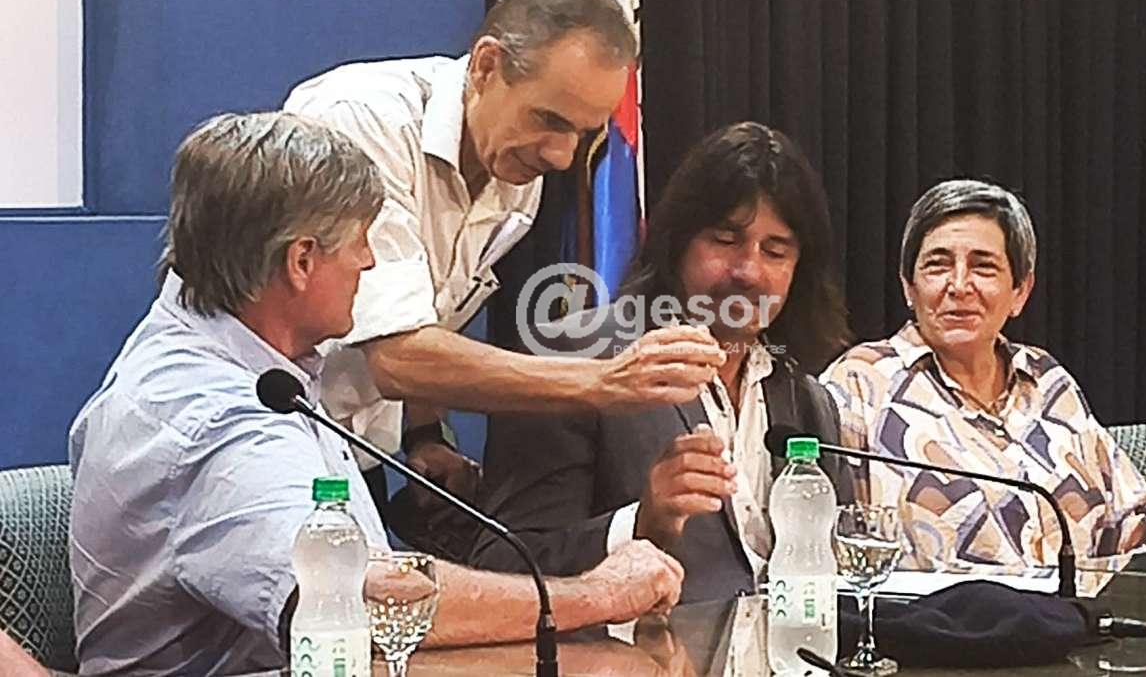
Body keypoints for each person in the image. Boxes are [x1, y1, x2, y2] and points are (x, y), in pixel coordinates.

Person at [67, 113, 684, 676]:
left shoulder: (224, 346)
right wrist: (596, 594)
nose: (368, 262)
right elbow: (359, 599)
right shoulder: (218, 418)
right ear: (301, 261)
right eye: (362, 241)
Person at [283, 0, 723, 517]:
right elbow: (395, 355)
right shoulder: (362, 124)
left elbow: (425, 310)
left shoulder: (515, 173)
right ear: (487, 65)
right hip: (261, 434)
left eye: (583, 133)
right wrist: (603, 380)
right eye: (549, 119)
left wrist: (425, 434)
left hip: (347, 450)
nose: (561, 156)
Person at [470, 122, 854, 603]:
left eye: (775, 252)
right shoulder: (572, 358)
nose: (749, 271)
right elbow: (503, 563)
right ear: (676, 243)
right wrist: (641, 523)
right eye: (725, 239)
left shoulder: (807, 400)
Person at [820, 179, 1146, 571]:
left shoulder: (1048, 380)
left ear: (1020, 291)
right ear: (909, 286)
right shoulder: (861, 383)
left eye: (983, 267)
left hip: (1080, 609)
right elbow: (823, 541)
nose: (959, 285)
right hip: (930, 612)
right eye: (938, 265)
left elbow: (1138, 523)